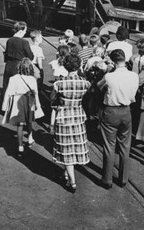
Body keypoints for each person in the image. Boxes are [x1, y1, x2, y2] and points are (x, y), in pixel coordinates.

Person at [97, 50, 139, 189]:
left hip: (110, 111)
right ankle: (123, 178)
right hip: (126, 111)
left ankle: (107, 179)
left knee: (109, 146)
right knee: (125, 146)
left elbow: (98, 86)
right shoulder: (134, 76)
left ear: (113, 62)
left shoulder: (109, 76)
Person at [50, 54, 91, 193]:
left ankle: (72, 182)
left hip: (63, 118)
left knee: (65, 149)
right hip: (78, 117)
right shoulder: (85, 83)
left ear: (65, 66)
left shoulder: (58, 84)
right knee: (74, 147)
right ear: (78, 65)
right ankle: (67, 173)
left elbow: (52, 101)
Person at [2, 58, 44, 156]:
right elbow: (36, 93)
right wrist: (38, 105)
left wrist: (5, 106)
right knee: (29, 121)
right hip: (29, 102)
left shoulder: (13, 79)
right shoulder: (33, 79)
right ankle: (30, 138)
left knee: (20, 125)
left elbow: (8, 93)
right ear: (30, 68)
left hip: (17, 102)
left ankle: (20, 146)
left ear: (19, 68)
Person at [3, 21, 34, 93]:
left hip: (9, 66)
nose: (25, 32)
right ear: (20, 31)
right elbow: (30, 56)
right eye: (25, 31)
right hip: (19, 67)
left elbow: (6, 55)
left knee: (8, 87)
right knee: (18, 89)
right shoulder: (24, 42)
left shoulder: (9, 40)